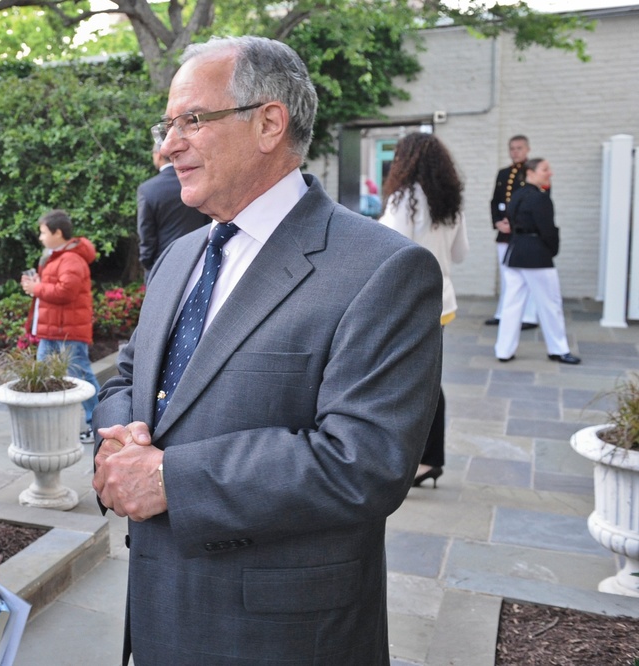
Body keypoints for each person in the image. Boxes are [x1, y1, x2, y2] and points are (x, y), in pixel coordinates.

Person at [92, 36, 443, 665]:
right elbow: (126, 378)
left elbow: (364, 460)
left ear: (268, 123)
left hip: (282, 638)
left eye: (190, 121)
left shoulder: (382, 268)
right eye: (167, 124)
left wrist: (170, 478)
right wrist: (120, 443)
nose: (167, 145)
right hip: (158, 616)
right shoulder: (181, 256)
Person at [379, 132, 469, 489]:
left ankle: (423, 459)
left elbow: (391, 247)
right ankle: (426, 458)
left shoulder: (405, 198)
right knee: (425, 379)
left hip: (410, 300)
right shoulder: (451, 200)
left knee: (416, 382)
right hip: (442, 300)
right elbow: (461, 254)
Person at [20, 209, 101, 441]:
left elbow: (66, 292)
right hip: (53, 331)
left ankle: (98, 427)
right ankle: (47, 423)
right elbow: (56, 287)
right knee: (42, 376)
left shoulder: (71, 259)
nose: (40, 237)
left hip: (68, 332)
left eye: (43, 232)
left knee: (82, 377)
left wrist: (37, 289)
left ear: (57, 232)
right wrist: (38, 284)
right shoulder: (56, 256)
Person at [494, 158, 581, 365]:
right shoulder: (540, 198)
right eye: (545, 169)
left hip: (515, 253)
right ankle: (558, 349)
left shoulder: (517, 195)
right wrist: (551, 250)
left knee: (511, 304)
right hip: (536, 255)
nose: (549, 173)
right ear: (531, 173)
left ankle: (503, 350)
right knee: (550, 304)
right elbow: (548, 230)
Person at [487, 135, 539, 330]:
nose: (515, 152)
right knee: (506, 275)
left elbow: (535, 204)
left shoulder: (533, 172)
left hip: (523, 232)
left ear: (527, 149)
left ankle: (529, 316)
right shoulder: (503, 173)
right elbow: (494, 201)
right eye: (512, 148)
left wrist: (515, 223)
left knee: (526, 275)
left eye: (519, 148)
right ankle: (503, 313)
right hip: (504, 232)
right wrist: (498, 222)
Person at [136, 142, 211, 275]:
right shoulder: (196, 182)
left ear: (158, 155)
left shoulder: (147, 189)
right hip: (198, 260)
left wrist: (147, 263)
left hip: (162, 264)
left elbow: (146, 233)